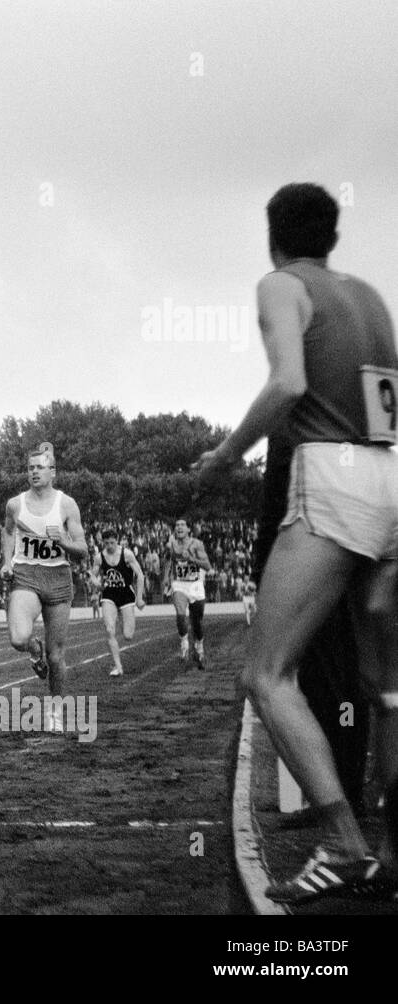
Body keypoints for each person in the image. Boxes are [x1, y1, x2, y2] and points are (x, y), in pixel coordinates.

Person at [197, 182, 398, 903]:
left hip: (332, 476)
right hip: (391, 477)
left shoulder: (281, 284)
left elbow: (288, 382)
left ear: (272, 235)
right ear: (333, 235)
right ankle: (389, 850)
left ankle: (343, 843)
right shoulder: (371, 296)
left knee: (267, 674)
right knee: (389, 690)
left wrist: (226, 453)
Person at [1, 442, 89, 731]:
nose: (35, 472)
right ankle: (32, 649)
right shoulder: (16, 504)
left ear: (53, 472)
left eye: (40, 467)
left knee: (56, 656)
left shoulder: (66, 504)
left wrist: (62, 540)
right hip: (26, 575)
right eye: (30, 468)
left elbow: (83, 550)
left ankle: (55, 711)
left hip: (58, 580)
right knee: (18, 637)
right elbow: (8, 532)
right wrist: (6, 562)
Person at [88, 528, 146, 677]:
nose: (109, 546)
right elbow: (92, 575)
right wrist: (98, 584)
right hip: (109, 594)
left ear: (117, 541)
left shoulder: (127, 554)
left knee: (128, 635)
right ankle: (118, 667)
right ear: (103, 542)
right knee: (109, 630)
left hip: (126, 594)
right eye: (106, 543)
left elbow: (140, 575)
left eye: (112, 542)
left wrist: (139, 598)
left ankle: (123, 618)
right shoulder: (100, 557)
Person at [162, 518, 211, 668]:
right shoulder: (171, 545)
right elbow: (169, 561)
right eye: (177, 525)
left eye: (182, 525)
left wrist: (191, 558)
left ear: (189, 529)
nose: (179, 527)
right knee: (181, 615)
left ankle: (199, 647)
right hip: (180, 584)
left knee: (197, 622)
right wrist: (166, 578)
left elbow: (207, 566)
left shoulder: (197, 544)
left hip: (195, 585)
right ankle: (184, 643)